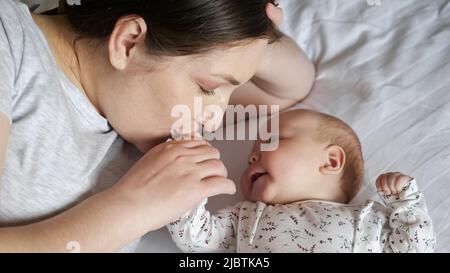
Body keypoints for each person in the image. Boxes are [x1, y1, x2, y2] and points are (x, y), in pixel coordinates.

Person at [0, 0, 315, 252]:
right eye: (207, 87)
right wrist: (134, 207)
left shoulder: (134, 110)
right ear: (128, 43)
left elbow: (290, 86)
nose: (215, 119)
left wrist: (250, 35)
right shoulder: (10, 44)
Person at [168, 109, 435, 253]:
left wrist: (407, 205)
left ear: (330, 161)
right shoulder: (245, 218)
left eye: (273, 141)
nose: (251, 158)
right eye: (252, 153)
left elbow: (415, 250)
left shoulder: (368, 219)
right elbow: (196, 239)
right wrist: (187, 180)